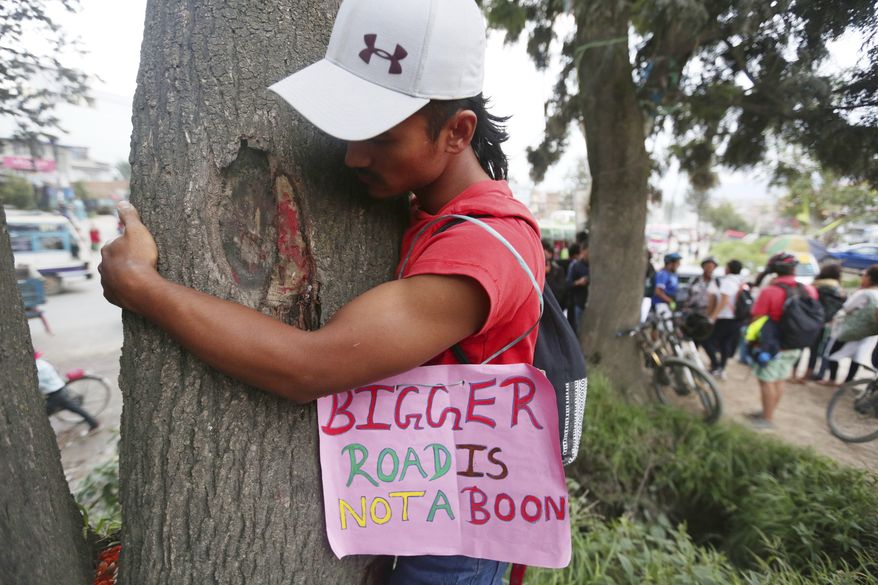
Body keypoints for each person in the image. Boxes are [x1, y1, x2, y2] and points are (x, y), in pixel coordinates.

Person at [98, 1, 543, 582]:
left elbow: (309, 368)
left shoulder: (481, 251)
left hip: (453, 535)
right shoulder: (430, 214)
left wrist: (144, 289)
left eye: (381, 137)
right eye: (348, 128)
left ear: (458, 131)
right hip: (415, 503)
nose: (354, 155)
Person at [746, 253, 818, 429]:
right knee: (779, 379)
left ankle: (767, 419)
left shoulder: (770, 292)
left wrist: (753, 341)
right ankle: (768, 412)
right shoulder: (809, 290)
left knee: (766, 381)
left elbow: (757, 319)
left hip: (774, 346)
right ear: (794, 269)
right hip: (796, 344)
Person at [820, 264, 878, 386]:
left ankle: (832, 379)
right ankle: (847, 382)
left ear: (870, 278)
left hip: (851, 330)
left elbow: (847, 308)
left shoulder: (864, 293)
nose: (862, 278)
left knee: (832, 353)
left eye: (864, 275)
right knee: (857, 357)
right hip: (870, 332)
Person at [791, 264, 845, 384]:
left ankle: (793, 374)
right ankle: (806, 375)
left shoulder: (816, 286)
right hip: (824, 324)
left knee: (800, 346)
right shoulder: (840, 291)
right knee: (814, 350)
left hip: (808, 320)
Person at [36, 352, 100, 431]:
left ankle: (94, 423)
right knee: (74, 408)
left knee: (44, 413)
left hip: (56, 394)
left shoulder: (36, 368)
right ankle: (93, 423)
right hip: (60, 386)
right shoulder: (43, 362)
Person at [703, 259, 744, 379]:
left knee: (707, 341)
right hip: (736, 319)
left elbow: (724, 301)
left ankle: (715, 366)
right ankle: (721, 368)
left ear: (729, 269)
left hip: (724, 318)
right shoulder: (740, 282)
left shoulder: (726, 282)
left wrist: (712, 317)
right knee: (725, 344)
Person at [651, 252, 682, 326]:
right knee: (666, 328)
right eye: (677, 263)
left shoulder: (673, 274)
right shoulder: (663, 274)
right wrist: (671, 301)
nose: (679, 265)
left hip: (668, 305)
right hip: (661, 304)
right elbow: (658, 292)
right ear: (670, 263)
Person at [565, 242, 589, 333]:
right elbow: (568, 284)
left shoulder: (594, 266)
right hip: (579, 303)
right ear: (583, 251)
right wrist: (579, 282)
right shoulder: (575, 266)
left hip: (593, 304)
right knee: (580, 332)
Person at [543, 239, 567, 310]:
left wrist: (548, 275)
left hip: (553, 307)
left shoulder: (558, 270)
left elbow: (560, 290)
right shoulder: (535, 270)